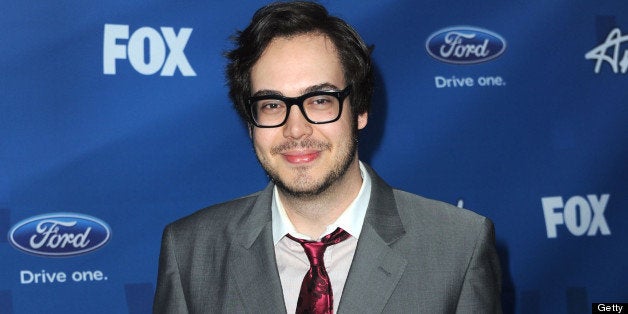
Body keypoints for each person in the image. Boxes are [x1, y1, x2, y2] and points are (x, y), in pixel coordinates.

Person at [153, 1, 502, 313]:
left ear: (360, 109)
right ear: (250, 122)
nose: (296, 130)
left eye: (320, 100)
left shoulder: (459, 246)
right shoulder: (191, 252)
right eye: (272, 105)